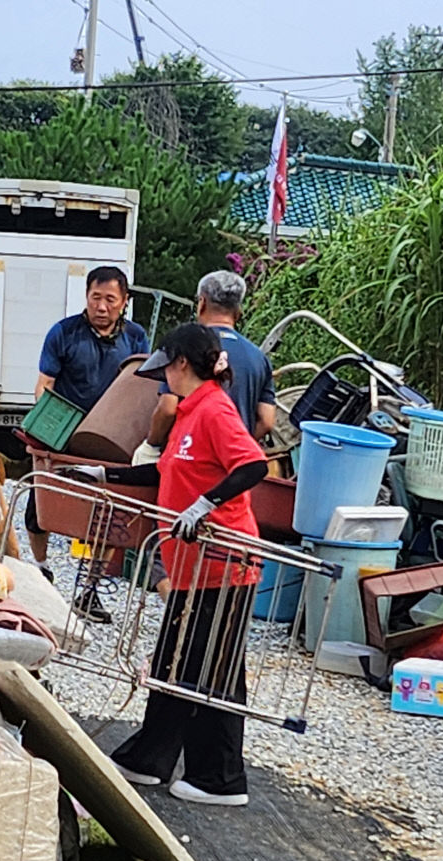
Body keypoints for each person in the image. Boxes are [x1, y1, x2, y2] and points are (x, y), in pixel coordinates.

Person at [72, 324, 268, 806]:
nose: (165, 380)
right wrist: (104, 474)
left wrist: (204, 506)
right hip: (192, 567)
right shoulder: (190, 412)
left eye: (168, 370)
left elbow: (253, 466)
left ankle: (216, 777)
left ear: (181, 364)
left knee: (203, 668)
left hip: (223, 565)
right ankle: (159, 761)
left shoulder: (215, 410)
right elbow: (163, 471)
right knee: (184, 664)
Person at [132, 269, 276, 602]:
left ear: (201, 303)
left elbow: (254, 464)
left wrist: (157, 445)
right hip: (206, 499)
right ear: (239, 312)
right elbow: (266, 421)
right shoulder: (257, 358)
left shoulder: (193, 361)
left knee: (201, 640)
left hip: (216, 537)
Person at [25, 266, 149, 622]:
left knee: (110, 516)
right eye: (96, 297)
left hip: (111, 439)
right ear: (86, 297)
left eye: (111, 299)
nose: (102, 306)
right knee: (40, 509)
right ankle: (42, 569)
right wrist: (45, 425)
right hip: (64, 436)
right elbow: (45, 383)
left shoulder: (137, 338)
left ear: (124, 302)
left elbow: (142, 388)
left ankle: (90, 590)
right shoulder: (63, 333)